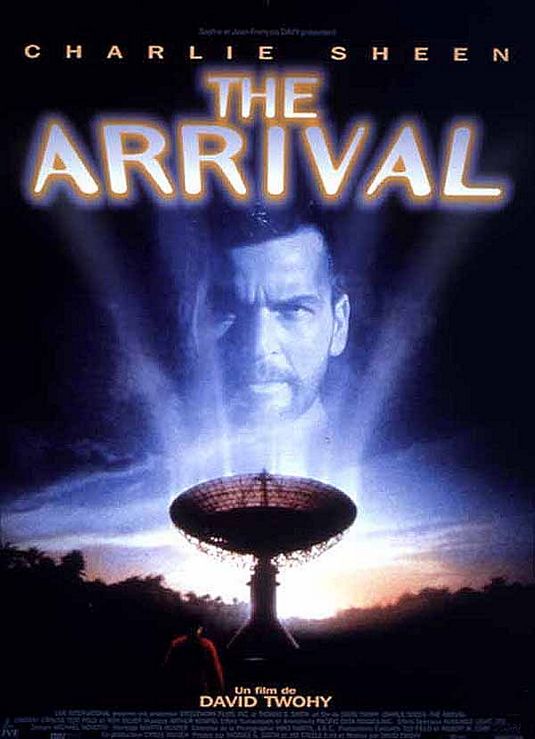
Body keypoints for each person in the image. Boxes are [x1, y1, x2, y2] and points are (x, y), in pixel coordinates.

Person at [162, 620, 224, 704]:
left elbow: (167, 665)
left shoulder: (177, 643)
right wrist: (220, 687)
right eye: (195, 628)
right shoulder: (206, 644)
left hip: (183, 686)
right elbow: (216, 668)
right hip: (195, 686)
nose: (196, 631)